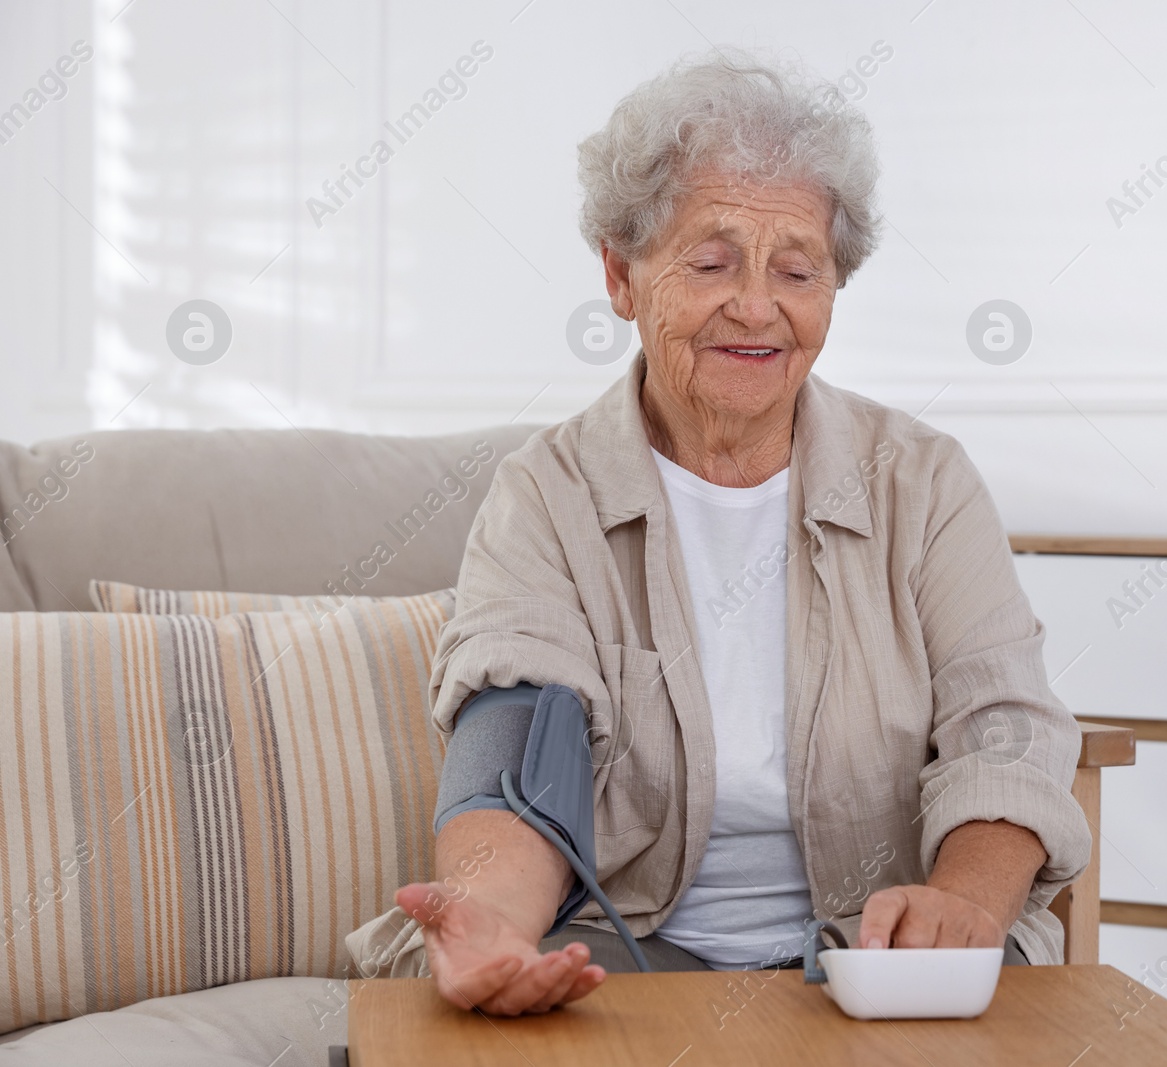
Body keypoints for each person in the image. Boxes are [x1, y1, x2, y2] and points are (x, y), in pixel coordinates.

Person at [347, 48, 1091, 1017]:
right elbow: (517, 736)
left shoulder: (922, 481)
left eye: (797, 269)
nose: (756, 305)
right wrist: (492, 911)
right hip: (625, 948)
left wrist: (964, 902)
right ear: (620, 273)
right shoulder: (547, 495)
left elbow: (1005, 726)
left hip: (870, 957)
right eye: (710, 261)